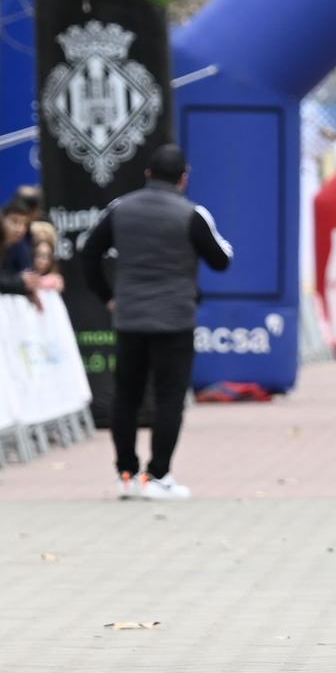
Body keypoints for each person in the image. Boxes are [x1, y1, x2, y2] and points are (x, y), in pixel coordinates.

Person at [77, 143, 234, 501]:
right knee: (168, 399)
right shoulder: (192, 214)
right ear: (184, 179)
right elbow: (222, 259)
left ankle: (126, 474)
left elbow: (89, 253)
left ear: (148, 175)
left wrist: (108, 296)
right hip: (174, 320)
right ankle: (159, 475)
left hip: (130, 318)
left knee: (126, 398)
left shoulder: (120, 209)